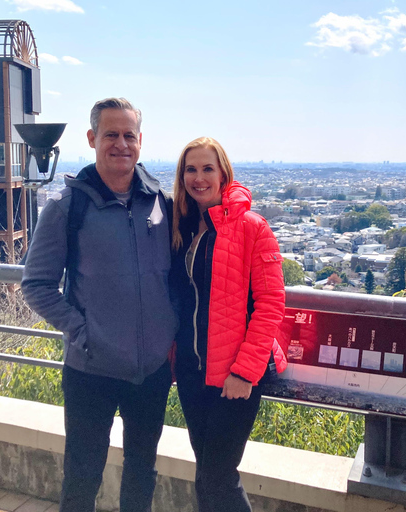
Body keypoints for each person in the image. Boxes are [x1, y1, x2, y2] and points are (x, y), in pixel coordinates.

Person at [22, 97, 176, 512]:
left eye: (129, 135)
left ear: (141, 142)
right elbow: (36, 284)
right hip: (91, 368)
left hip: (152, 372)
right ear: (92, 139)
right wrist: (82, 331)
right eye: (111, 134)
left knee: (142, 472)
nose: (120, 144)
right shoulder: (67, 207)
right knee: (83, 473)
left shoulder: (163, 204)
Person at [169, 137, 287, 512]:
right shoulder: (186, 227)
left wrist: (245, 372)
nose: (199, 177)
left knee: (219, 475)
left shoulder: (252, 226)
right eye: (191, 169)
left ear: (223, 174)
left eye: (207, 169)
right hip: (192, 372)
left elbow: (270, 303)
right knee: (206, 474)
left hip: (233, 377)